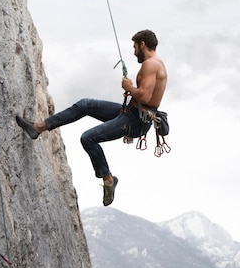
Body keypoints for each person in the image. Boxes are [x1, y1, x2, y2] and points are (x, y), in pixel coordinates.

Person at [16, 29, 167, 206]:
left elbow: (144, 97)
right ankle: (38, 127)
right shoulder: (155, 64)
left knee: (88, 138)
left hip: (136, 120)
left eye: (135, 47)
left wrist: (130, 87)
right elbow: (144, 97)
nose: (134, 52)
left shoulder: (151, 65)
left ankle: (108, 179)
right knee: (85, 104)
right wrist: (133, 91)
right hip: (132, 114)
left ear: (143, 45)